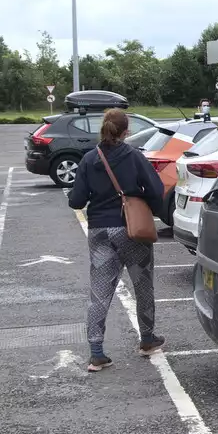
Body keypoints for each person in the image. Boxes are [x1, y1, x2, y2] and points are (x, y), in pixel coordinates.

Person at [67, 109, 166, 370]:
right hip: (130, 229)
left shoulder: (89, 159)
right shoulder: (134, 157)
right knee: (142, 285)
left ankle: (96, 352)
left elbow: (76, 200)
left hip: (99, 230)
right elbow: (156, 190)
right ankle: (147, 339)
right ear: (126, 132)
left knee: (99, 291)